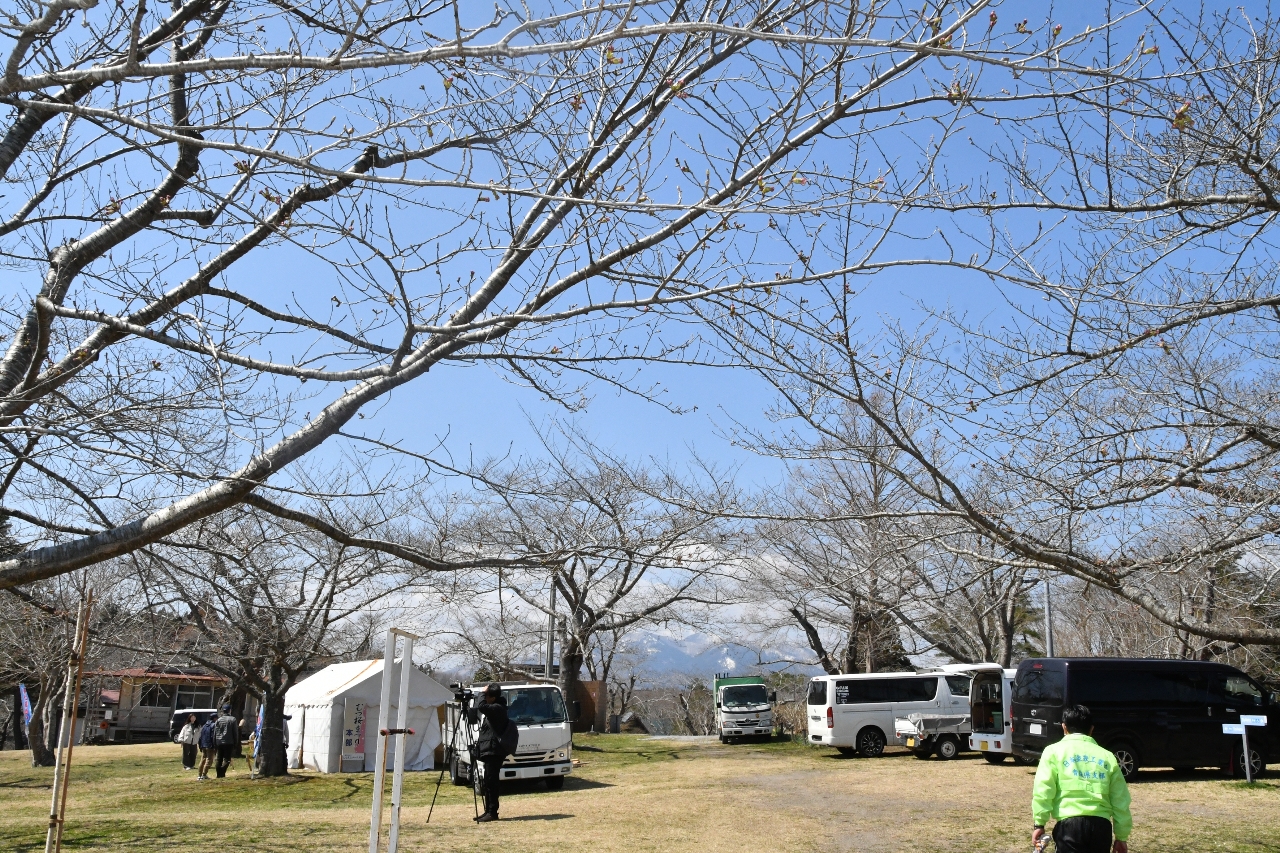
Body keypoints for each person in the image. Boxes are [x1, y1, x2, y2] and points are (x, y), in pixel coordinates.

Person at [1032, 704, 1132, 853]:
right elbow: (1120, 799)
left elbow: (1043, 789)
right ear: (1091, 729)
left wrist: (1039, 823)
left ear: (1064, 727)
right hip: (1101, 826)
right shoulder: (1107, 756)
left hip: (1069, 824)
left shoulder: (1052, 752)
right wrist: (1121, 837)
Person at [467, 683, 510, 823]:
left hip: (495, 751)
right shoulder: (496, 706)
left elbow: (481, 707)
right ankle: (488, 811)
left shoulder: (498, 708)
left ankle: (492, 812)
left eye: (486, 696)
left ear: (493, 698)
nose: (484, 698)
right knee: (488, 781)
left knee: (492, 782)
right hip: (491, 750)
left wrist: (480, 692)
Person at [212, 704, 240, 779]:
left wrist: (214, 742)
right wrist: (236, 742)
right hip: (229, 742)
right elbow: (235, 732)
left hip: (219, 741)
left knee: (219, 759)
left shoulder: (218, 720)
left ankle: (218, 774)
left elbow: (215, 732)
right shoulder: (232, 719)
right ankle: (222, 772)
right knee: (227, 759)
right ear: (229, 710)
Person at [196, 713, 218, 780]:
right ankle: (204, 774)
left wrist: (200, 745)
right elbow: (213, 736)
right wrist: (215, 745)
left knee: (202, 759)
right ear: (215, 718)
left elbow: (201, 736)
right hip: (210, 745)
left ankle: (199, 775)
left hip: (203, 745)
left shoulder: (204, 725)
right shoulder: (214, 725)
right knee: (209, 760)